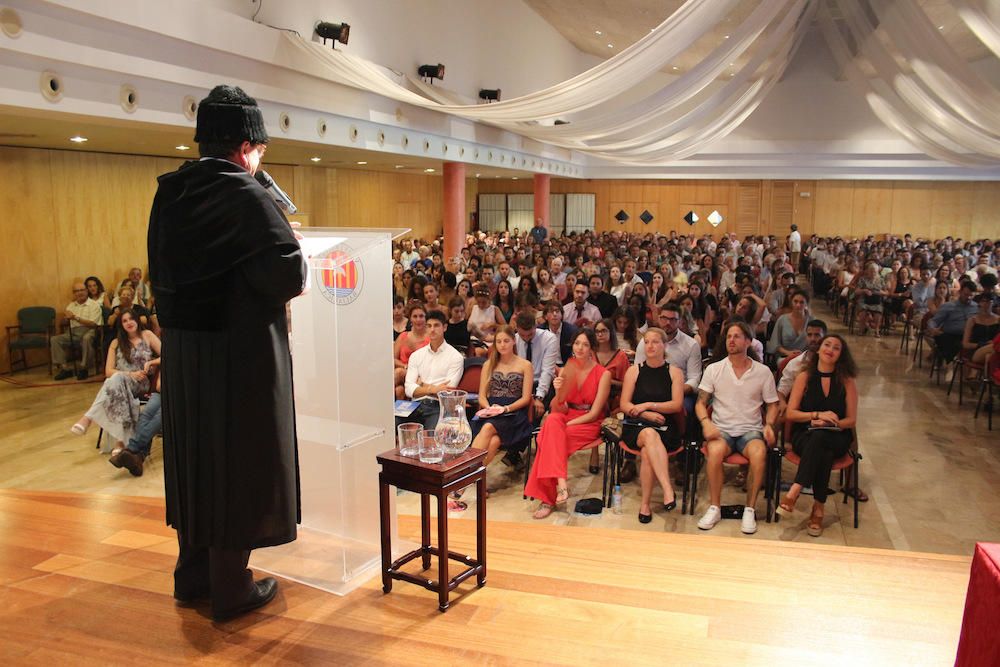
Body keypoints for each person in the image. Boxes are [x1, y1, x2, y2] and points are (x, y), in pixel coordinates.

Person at [148, 85, 306, 621]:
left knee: (197, 458)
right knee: (240, 460)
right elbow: (287, 273)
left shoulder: (171, 192)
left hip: (187, 353)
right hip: (238, 354)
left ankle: (192, 575)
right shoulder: (244, 191)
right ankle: (231, 588)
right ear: (247, 146)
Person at [696, 321, 779, 535]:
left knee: (759, 453)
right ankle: (715, 507)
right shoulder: (714, 369)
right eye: (729, 336)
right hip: (722, 428)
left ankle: (749, 509)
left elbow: (772, 404)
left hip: (750, 430)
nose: (731, 340)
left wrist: (769, 424)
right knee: (714, 452)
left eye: (737, 336)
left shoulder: (763, 372)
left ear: (749, 341)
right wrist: (706, 422)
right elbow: (700, 403)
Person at [775, 335, 859, 537]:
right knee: (823, 448)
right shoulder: (804, 376)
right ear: (819, 349)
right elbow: (791, 414)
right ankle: (818, 508)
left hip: (838, 435)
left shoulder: (846, 381)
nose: (830, 349)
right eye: (827, 345)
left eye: (836, 347)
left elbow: (851, 420)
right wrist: (816, 415)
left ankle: (795, 490)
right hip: (805, 434)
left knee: (821, 438)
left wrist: (831, 422)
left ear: (841, 355)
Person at [524, 329, 611, 519]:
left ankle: (548, 500)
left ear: (592, 349)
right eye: (577, 343)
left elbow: (596, 412)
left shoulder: (603, 374)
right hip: (566, 415)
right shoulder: (566, 369)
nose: (580, 348)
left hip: (588, 420)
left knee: (549, 439)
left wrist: (569, 425)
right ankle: (561, 483)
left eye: (585, 344)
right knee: (553, 421)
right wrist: (558, 392)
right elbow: (558, 408)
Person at [619, 327, 685, 523]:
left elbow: (676, 405)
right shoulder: (634, 371)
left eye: (655, 342)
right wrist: (646, 413)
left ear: (664, 346)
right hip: (636, 425)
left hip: (665, 427)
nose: (650, 345)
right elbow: (624, 404)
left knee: (649, 450)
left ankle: (645, 504)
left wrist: (648, 405)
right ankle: (667, 489)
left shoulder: (674, 372)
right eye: (646, 341)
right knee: (648, 434)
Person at [70, 310, 159, 453]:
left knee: (113, 382)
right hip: (121, 382)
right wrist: (130, 374)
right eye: (124, 321)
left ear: (137, 320)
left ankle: (88, 418)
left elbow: (167, 354)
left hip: (141, 383)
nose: (129, 323)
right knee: (116, 382)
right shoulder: (116, 343)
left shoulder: (147, 335)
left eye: (131, 319)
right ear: (121, 325)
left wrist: (151, 363)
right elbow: (108, 371)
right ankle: (120, 442)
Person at [469, 326, 534, 470]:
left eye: (506, 341)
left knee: (488, 428)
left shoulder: (525, 365)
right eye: (498, 342)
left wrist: (505, 409)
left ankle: (464, 476)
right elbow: (482, 396)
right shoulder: (488, 364)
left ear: (513, 341)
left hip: (514, 414)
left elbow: (526, 398)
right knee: (493, 441)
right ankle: (473, 480)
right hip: (491, 410)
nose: (502, 345)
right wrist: (488, 409)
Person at [402, 310, 465, 430]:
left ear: (445, 327)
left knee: (431, 437)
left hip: (437, 407)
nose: (432, 329)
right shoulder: (416, 355)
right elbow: (409, 389)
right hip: (413, 405)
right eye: (429, 326)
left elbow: (447, 393)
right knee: (389, 424)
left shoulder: (455, 357)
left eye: (436, 325)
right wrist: (433, 389)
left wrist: (421, 384)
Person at [109, 363, 162, 477]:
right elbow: (158, 386)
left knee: (160, 416)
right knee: (146, 415)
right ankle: (137, 457)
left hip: (180, 395)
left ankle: (131, 449)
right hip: (160, 393)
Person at [51, 281, 104, 380]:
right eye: (77, 291)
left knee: (86, 338)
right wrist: (65, 318)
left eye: (82, 290)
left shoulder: (94, 305)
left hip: (91, 330)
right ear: (74, 293)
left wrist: (75, 317)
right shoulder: (71, 305)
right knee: (55, 339)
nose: (80, 293)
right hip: (73, 331)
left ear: (86, 291)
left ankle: (84, 368)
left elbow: (93, 323)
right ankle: (65, 369)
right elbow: (66, 319)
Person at [927, 280, 978, 361]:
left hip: (967, 337)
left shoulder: (976, 307)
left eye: (971, 295)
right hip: (950, 335)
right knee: (947, 340)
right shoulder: (949, 306)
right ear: (960, 292)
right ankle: (951, 361)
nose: (968, 297)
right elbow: (934, 321)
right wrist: (932, 328)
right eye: (966, 294)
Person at [961, 292, 999, 378]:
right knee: (994, 347)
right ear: (979, 303)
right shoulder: (972, 320)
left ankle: (985, 384)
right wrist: (982, 344)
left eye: (989, 301)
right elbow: (965, 344)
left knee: (988, 356)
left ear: (993, 303)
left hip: (994, 352)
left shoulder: (998, 320)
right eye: (983, 301)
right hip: (976, 350)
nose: (986, 304)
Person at [768, 291, 810, 361]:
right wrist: (788, 353)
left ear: (806, 304)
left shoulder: (811, 321)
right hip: (785, 356)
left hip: (805, 357)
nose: (798, 305)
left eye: (801, 302)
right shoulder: (782, 319)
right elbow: (775, 343)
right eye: (795, 301)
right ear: (791, 302)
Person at [540, 299, 578, 364]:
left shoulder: (572, 331)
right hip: (546, 365)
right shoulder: (540, 331)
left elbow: (574, 355)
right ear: (545, 316)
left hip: (566, 366)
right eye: (551, 311)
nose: (555, 314)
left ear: (562, 315)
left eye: (557, 311)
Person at [855, 262, 888, 337]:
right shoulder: (863, 279)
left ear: (877, 272)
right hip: (864, 299)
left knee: (878, 312)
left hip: (876, 300)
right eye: (871, 271)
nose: (873, 273)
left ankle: (876, 330)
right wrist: (864, 290)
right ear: (868, 271)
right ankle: (861, 329)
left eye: (875, 271)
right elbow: (856, 291)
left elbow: (887, 292)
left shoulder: (881, 280)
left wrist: (880, 292)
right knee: (863, 312)